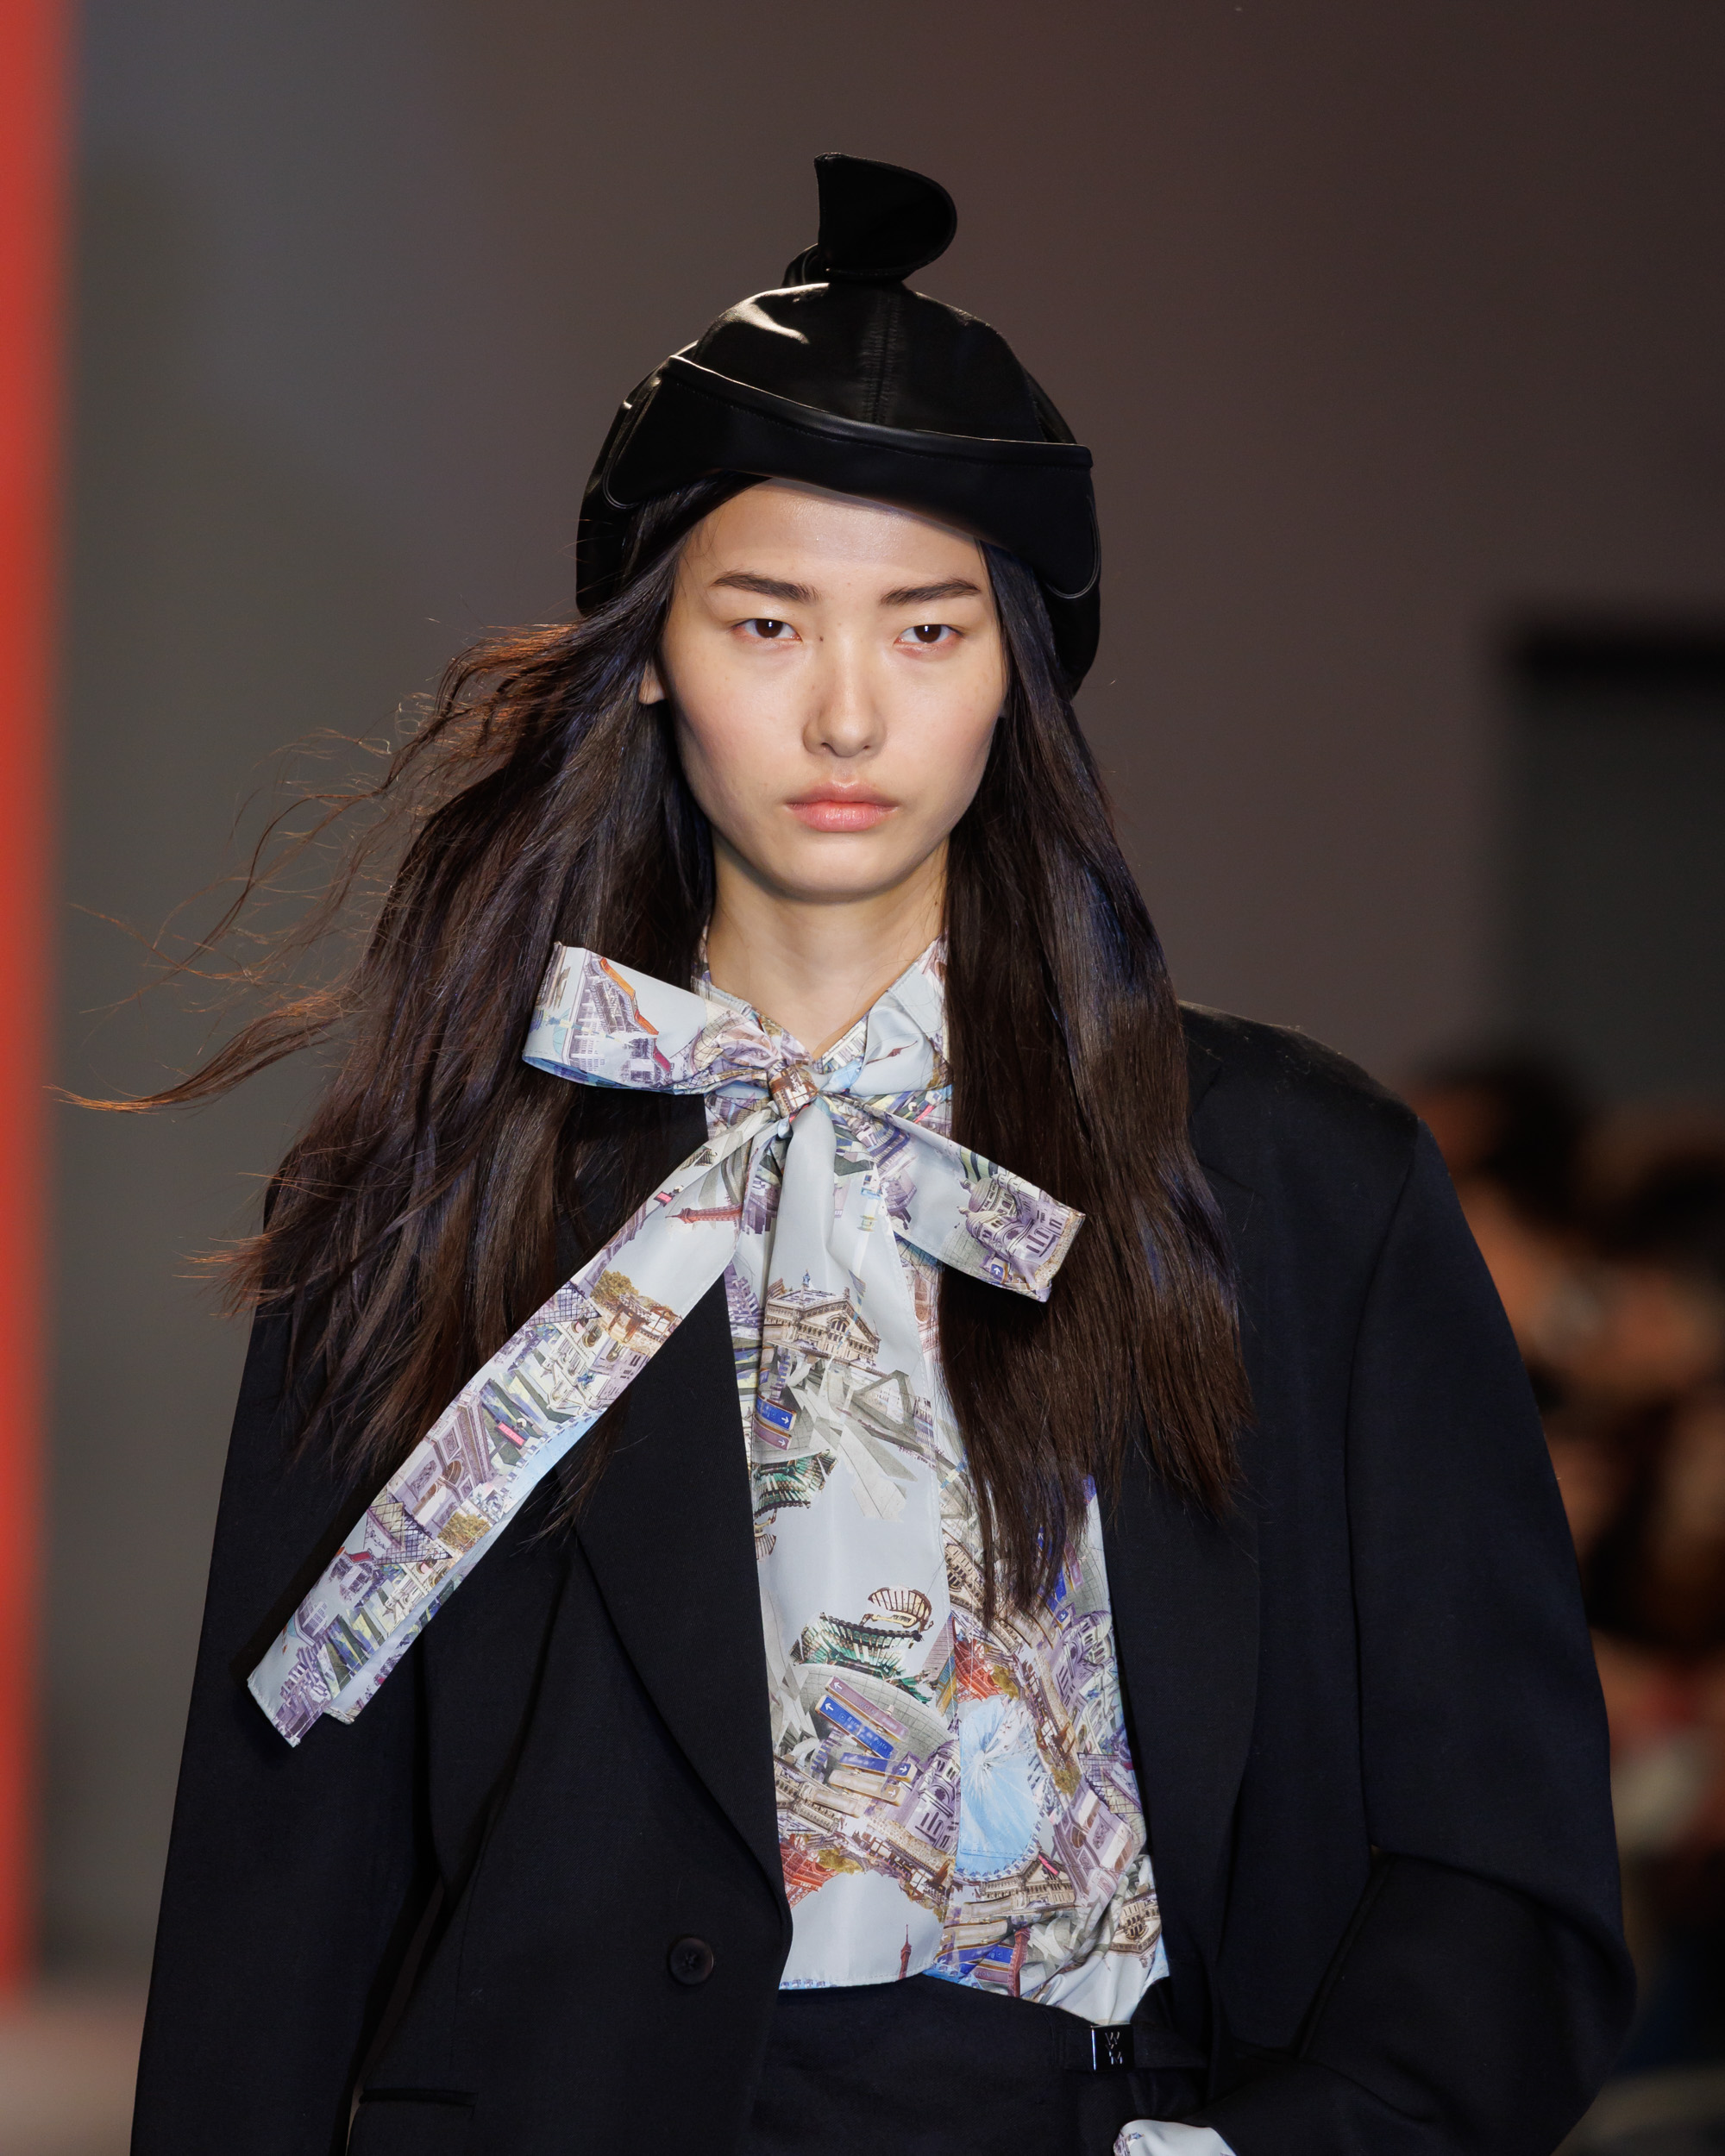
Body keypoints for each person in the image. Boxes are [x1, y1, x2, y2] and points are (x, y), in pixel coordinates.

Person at [124, 155, 1630, 2156]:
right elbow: (277, 1888)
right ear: (652, 651)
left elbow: (1498, 1864)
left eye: (927, 629)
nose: (846, 711)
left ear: (1019, 669)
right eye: (767, 621)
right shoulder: (435, 1197)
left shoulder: (1293, 1187)